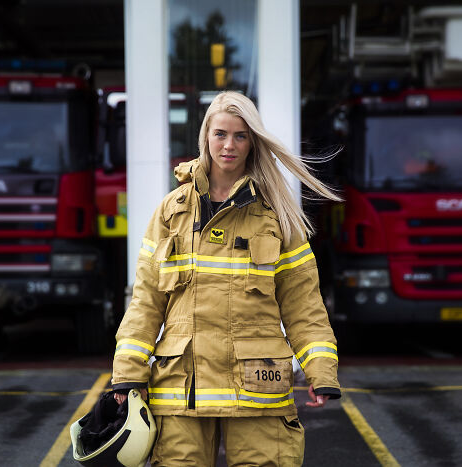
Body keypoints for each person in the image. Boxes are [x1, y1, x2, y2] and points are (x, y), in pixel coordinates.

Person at [111, 91, 342, 466]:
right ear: (205, 138)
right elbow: (146, 301)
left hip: (257, 390)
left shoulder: (276, 216)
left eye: (240, 136)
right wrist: (127, 373)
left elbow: (304, 305)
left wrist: (320, 371)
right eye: (220, 134)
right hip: (181, 390)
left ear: (253, 142)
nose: (229, 145)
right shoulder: (172, 212)